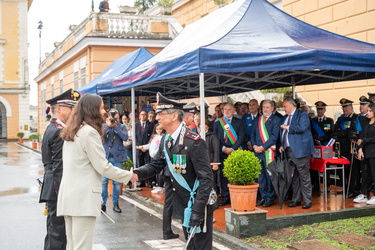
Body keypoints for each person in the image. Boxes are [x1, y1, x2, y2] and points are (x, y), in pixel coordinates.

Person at [130, 92, 217, 249]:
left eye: (160, 114)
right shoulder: (166, 139)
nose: (157, 118)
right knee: (190, 245)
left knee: (200, 246)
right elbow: (156, 164)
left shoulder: (194, 142)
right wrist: (137, 173)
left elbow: (206, 179)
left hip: (198, 204)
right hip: (184, 204)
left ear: (173, 116)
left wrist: (198, 210)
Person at [57, 94, 132, 250]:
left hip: (69, 197)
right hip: (83, 198)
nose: (104, 112)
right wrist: (129, 176)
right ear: (92, 109)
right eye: (101, 107)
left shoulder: (73, 130)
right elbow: (103, 167)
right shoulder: (89, 132)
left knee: (72, 245)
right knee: (82, 247)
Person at [39, 88, 80, 250]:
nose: (75, 112)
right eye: (72, 108)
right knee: (58, 232)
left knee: (54, 230)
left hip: (53, 186)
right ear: (60, 109)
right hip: (58, 187)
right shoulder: (59, 132)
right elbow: (59, 166)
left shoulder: (53, 127)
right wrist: (61, 192)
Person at [280, 97, 315, 209]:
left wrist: (288, 127)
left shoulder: (302, 115)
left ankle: (307, 200)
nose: (283, 108)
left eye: (285, 106)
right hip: (289, 150)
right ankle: (296, 199)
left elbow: (302, 127)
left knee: (304, 176)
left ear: (291, 105)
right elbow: (283, 133)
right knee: (294, 177)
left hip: (301, 151)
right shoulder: (285, 117)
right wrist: (282, 144)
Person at [213, 103, 247, 206]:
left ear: (233, 111)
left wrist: (232, 148)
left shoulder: (239, 122)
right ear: (223, 111)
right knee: (223, 176)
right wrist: (223, 148)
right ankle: (225, 197)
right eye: (225, 109)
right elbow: (215, 139)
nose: (227, 111)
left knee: (236, 175)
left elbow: (242, 137)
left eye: (229, 109)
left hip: (236, 152)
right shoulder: (218, 123)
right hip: (222, 152)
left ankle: (236, 197)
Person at [251, 100, 281, 208]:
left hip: (269, 152)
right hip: (258, 152)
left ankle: (270, 198)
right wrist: (255, 146)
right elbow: (253, 134)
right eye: (264, 107)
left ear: (272, 108)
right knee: (260, 176)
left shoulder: (276, 120)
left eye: (268, 107)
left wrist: (263, 147)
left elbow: (274, 136)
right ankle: (263, 196)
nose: (265, 109)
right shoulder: (258, 119)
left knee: (269, 176)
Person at [101, 108, 129, 213]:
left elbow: (125, 137)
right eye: (112, 118)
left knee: (116, 182)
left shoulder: (121, 126)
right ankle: (103, 204)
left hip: (117, 157)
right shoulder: (103, 126)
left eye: (116, 118)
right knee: (103, 182)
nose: (114, 120)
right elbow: (100, 137)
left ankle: (115, 204)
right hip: (106, 157)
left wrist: (116, 127)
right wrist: (108, 127)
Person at [333, 98, 360, 198]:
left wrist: (344, 133)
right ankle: (345, 187)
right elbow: (335, 131)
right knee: (342, 170)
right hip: (342, 148)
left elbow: (357, 132)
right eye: (343, 107)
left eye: (347, 107)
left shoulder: (356, 118)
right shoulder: (340, 119)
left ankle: (353, 190)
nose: (345, 109)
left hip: (351, 148)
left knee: (353, 170)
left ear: (351, 107)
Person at [353, 96, 372, 203]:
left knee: (371, 173)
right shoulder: (359, 118)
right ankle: (364, 192)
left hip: (370, 148)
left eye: (364, 105)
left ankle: (369, 192)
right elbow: (359, 134)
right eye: (361, 104)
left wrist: (363, 141)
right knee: (364, 172)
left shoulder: (370, 121)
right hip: (362, 148)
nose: (361, 106)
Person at [356, 103, 375, 205]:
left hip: (373, 152)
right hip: (365, 152)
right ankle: (364, 194)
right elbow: (360, 137)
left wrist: (364, 141)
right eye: (367, 111)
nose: (368, 113)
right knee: (365, 174)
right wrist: (360, 149)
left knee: (373, 174)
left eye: (370, 111)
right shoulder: (366, 123)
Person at [135, 110, 155, 187]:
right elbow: (135, 136)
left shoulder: (151, 125)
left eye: (145, 115)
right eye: (142, 115)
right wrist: (139, 146)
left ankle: (149, 182)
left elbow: (152, 137)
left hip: (148, 148)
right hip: (138, 148)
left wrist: (146, 146)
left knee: (148, 164)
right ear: (139, 116)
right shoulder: (136, 125)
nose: (143, 116)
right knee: (139, 165)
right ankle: (141, 181)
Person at [204, 118, 221, 194]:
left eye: (204, 125)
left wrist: (215, 163)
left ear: (207, 126)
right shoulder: (198, 136)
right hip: (202, 163)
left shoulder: (212, 136)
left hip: (211, 162)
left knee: (212, 182)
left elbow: (216, 150)